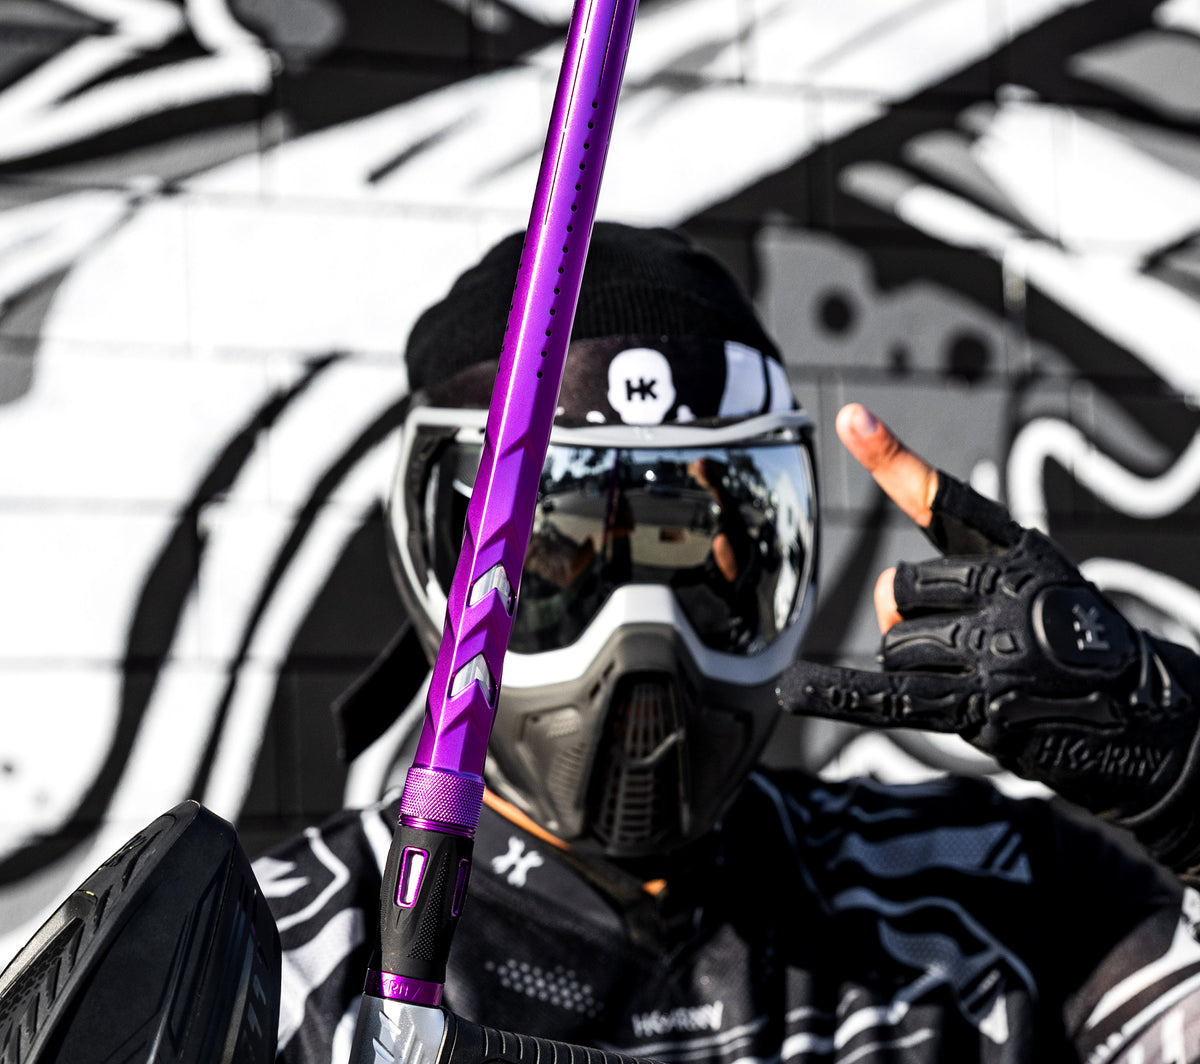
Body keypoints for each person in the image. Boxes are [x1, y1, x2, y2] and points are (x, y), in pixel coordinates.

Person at [261, 223, 1200, 1064]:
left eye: (692, 544)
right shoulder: (280, 962)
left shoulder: (989, 895)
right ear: (438, 561)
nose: (647, 634)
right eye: (566, 547)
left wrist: (1189, 783)